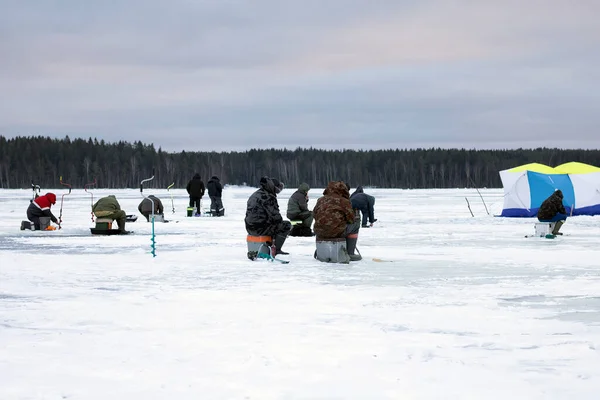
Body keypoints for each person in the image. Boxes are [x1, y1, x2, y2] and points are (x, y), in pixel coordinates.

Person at [313, 181, 362, 261]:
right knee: (356, 224)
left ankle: (323, 250)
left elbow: (314, 214)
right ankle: (350, 252)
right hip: (336, 232)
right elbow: (351, 220)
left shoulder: (320, 200)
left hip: (319, 232)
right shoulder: (344, 201)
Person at [245, 177, 292, 255]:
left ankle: (270, 245)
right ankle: (276, 249)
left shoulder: (256, 194)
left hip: (250, 227)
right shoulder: (268, 197)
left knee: (273, 224)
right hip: (260, 228)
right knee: (286, 225)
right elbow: (275, 216)